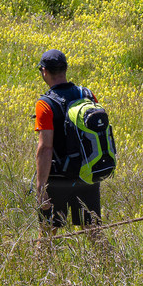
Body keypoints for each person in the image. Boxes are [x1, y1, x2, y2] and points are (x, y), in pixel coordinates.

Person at [33, 49, 104, 234]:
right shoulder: (87, 94)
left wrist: (40, 187)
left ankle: (41, 264)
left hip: (58, 178)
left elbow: (45, 147)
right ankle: (110, 263)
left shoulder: (45, 104)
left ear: (44, 71)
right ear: (65, 69)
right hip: (88, 174)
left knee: (48, 233)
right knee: (92, 230)